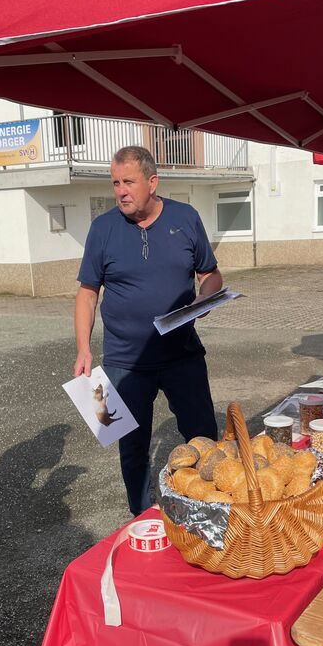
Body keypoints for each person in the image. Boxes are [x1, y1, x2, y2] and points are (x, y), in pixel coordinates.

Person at [74, 145, 222, 515]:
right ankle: (142, 517)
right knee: (131, 447)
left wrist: (205, 298)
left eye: (128, 182)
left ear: (152, 182)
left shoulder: (185, 218)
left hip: (182, 355)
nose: (120, 190)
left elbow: (211, 273)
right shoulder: (102, 228)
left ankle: (209, 511)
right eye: (115, 183)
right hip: (124, 362)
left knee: (204, 439)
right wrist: (83, 349)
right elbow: (87, 293)